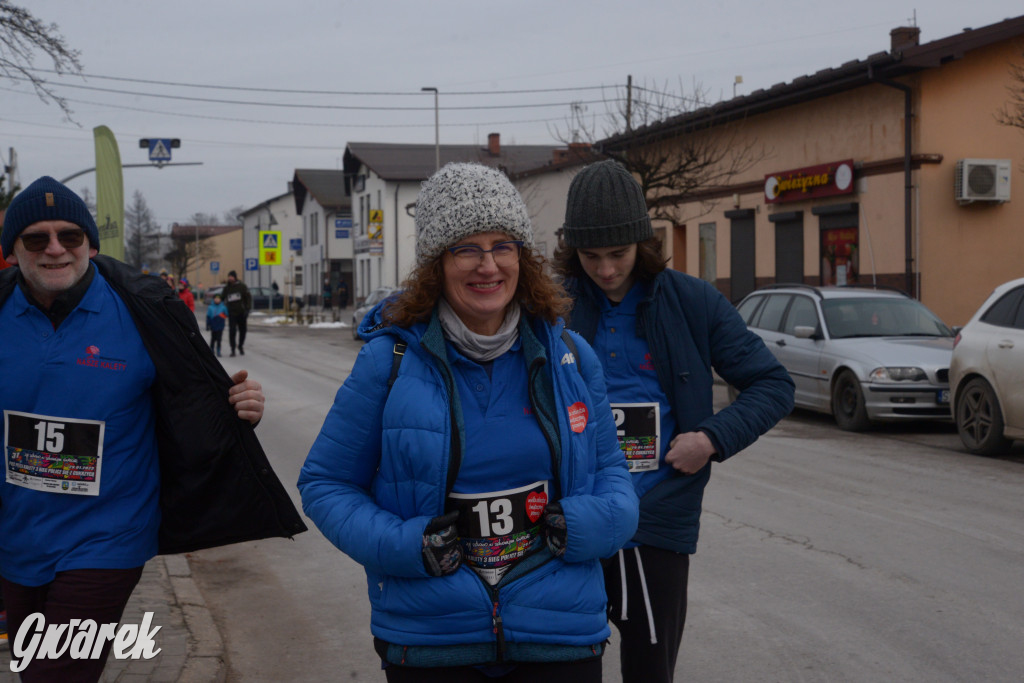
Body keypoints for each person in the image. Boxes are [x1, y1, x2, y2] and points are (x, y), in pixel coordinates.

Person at [298, 163, 639, 682]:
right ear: (438, 263)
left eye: (503, 245)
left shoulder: (571, 356)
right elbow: (326, 485)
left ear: (522, 256)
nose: (489, 265)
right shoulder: (388, 362)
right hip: (434, 641)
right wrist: (407, 546)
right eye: (467, 248)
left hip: (558, 635)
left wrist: (588, 526)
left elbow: (614, 477)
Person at [0, 176, 306, 682]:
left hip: (108, 537)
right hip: (18, 536)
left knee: (56, 675)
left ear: (90, 245)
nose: (55, 249)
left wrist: (241, 406)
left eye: (69, 237)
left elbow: (201, 395)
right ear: (13, 250)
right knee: (34, 667)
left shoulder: (143, 311)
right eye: (36, 239)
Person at [552, 160, 795, 683]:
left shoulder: (692, 301)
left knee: (649, 672)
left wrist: (710, 438)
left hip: (656, 522)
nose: (606, 269)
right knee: (566, 669)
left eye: (618, 254)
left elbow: (773, 385)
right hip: (571, 519)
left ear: (644, 241)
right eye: (590, 256)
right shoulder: (552, 307)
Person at [222, 269, 251, 357]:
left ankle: (241, 346)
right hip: (231, 313)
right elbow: (222, 298)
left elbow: (248, 298)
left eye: (231, 277)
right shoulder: (227, 288)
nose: (230, 278)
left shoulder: (242, 286)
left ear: (235, 277)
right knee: (232, 331)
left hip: (241, 312)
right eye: (229, 277)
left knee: (243, 331)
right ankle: (233, 349)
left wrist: (247, 309)